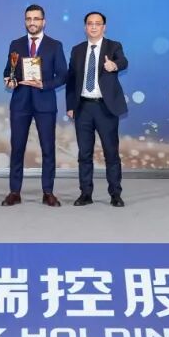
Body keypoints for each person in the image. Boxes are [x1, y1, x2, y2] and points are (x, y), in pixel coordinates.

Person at [1, 4, 67, 207]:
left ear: (43, 22)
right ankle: (14, 192)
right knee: (17, 148)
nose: (32, 22)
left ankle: (48, 192)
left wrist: (44, 84)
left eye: (36, 19)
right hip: (20, 103)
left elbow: (63, 75)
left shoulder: (55, 45)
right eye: (29, 19)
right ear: (25, 21)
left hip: (45, 103)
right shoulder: (16, 44)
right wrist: (9, 80)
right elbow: (8, 71)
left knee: (48, 149)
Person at [66, 11, 128, 207]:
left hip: (105, 108)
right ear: (85, 27)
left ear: (104, 27)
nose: (93, 26)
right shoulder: (77, 50)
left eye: (97, 23)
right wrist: (70, 106)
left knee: (111, 153)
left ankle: (115, 194)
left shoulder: (113, 46)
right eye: (90, 23)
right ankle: (86, 193)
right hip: (83, 107)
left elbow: (123, 61)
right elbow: (71, 80)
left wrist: (114, 65)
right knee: (84, 154)